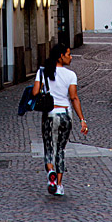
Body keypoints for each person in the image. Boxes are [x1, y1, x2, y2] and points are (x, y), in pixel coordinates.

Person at [32, 43, 88, 196]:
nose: (71, 57)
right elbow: (74, 97)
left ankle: (51, 173)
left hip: (50, 114)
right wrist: (82, 119)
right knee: (61, 150)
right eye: (68, 54)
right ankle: (59, 185)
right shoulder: (71, 75)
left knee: (49, 148)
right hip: (65, 114)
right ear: (60, 56)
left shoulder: (43, 71)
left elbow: (35, 92)